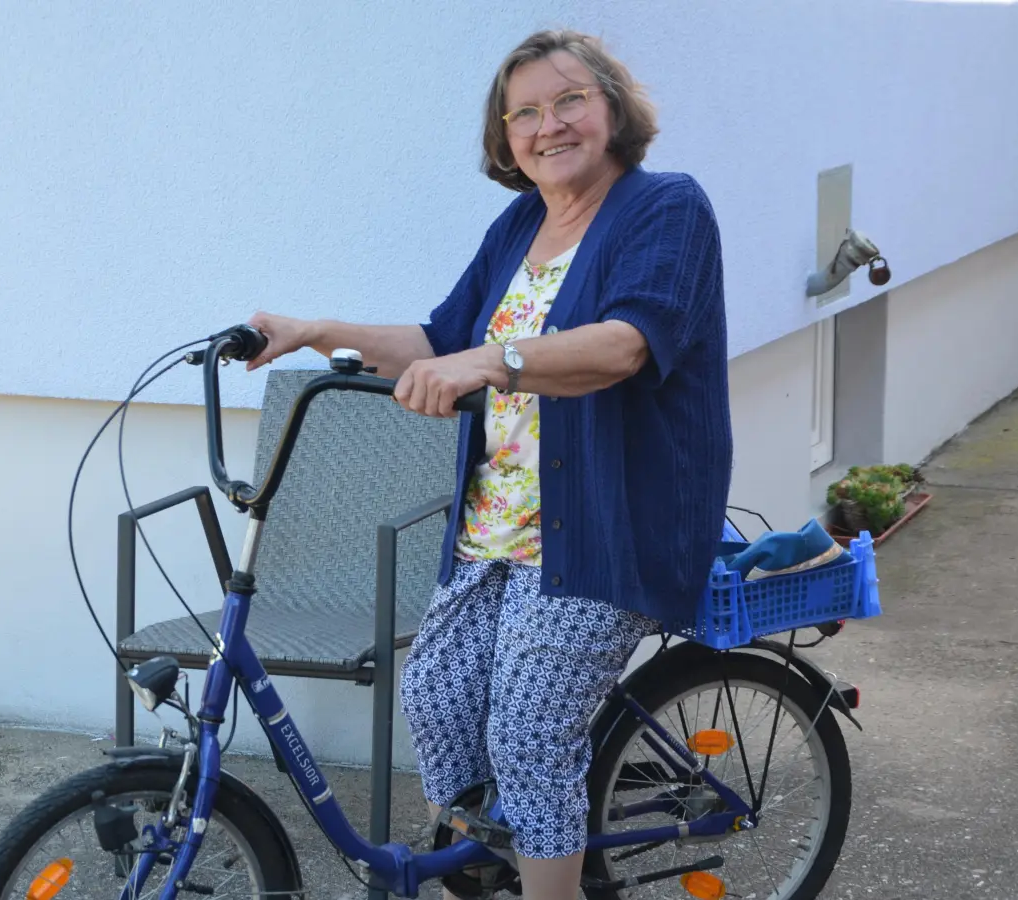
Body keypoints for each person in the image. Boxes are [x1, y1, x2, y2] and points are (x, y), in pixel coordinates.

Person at [244, 28, 732, 900]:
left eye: (570, 99)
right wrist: (318, 330)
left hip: (606, 529)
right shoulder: (522, 223)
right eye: (526, 112)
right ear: (505, 136)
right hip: (496, 526)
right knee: (434, 695)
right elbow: (439, 339)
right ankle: (508, 859)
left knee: (531, 734)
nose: (550, 125)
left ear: (613, 107)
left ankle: (550, 883)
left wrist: (495, 361)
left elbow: (626, 344)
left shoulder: (665, 207)